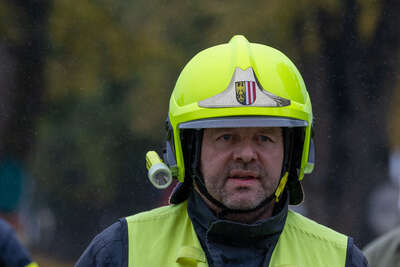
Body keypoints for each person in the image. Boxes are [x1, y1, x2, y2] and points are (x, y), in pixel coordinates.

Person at [76, 35, 368, 266]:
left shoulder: (341, 260)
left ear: (293, 152)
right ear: (188, 150)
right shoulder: (119, 253)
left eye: (264, 138)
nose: (246, 154)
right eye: (227, 137)